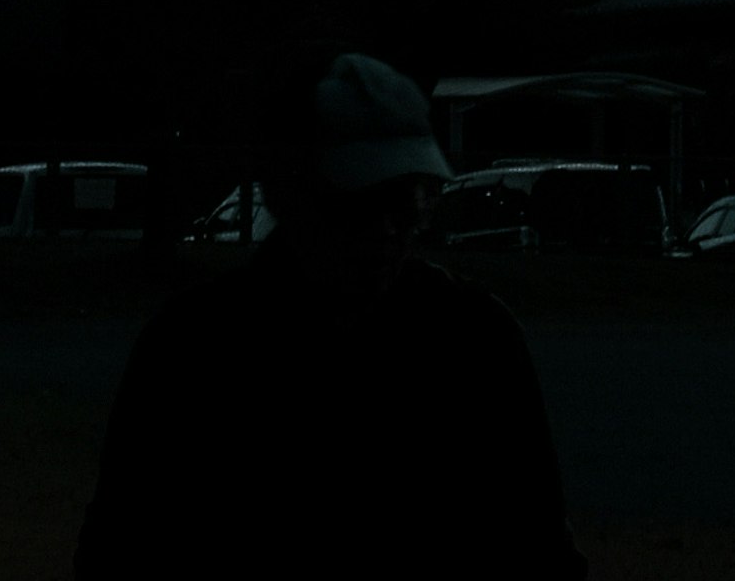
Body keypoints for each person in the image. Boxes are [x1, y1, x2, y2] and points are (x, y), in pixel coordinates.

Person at [75, 54, 580, 580]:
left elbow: (538, 545)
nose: (387, 227)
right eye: (359, 199)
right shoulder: (193, 350)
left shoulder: (476, 339)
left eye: (409, 200)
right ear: (286, 191)